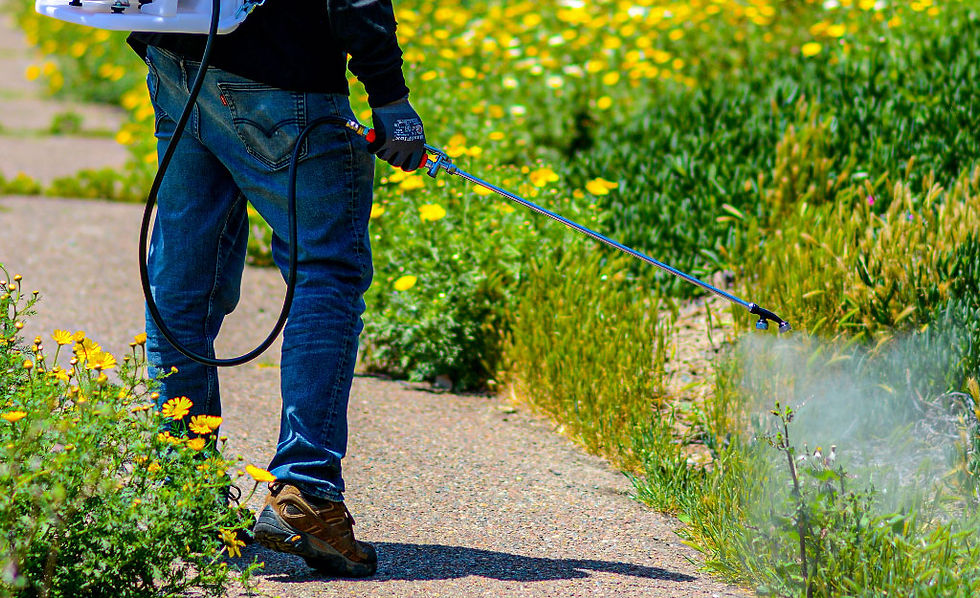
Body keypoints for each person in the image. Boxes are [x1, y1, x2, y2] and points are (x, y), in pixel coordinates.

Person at [127, 0, 425, 577]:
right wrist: (389, 94)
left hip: (179, 58)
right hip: (284, 77)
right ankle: (307, 492)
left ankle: (185, 497)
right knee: (326, 272)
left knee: (182, 286)